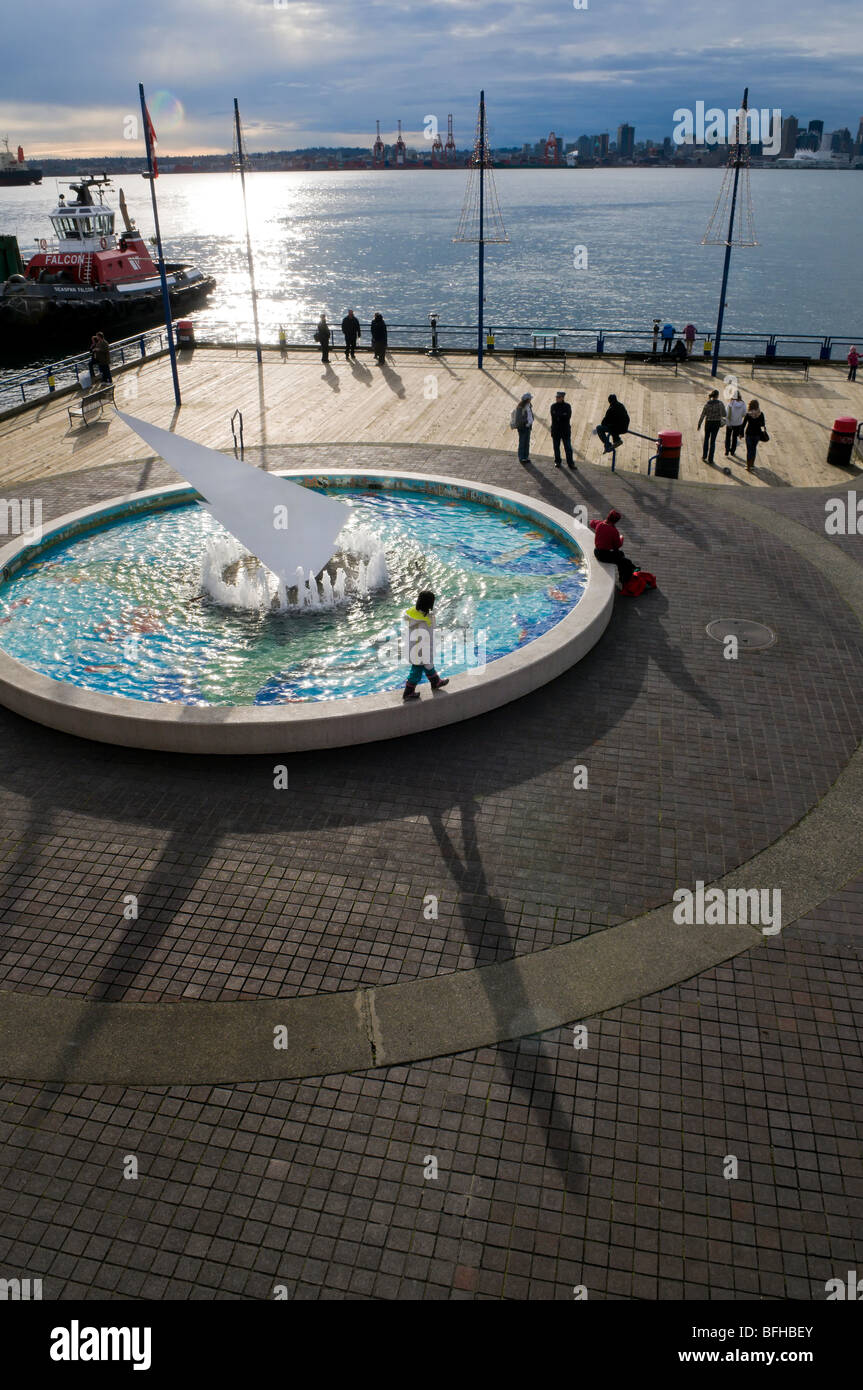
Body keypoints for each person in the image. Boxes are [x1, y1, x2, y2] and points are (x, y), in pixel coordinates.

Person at [402, 590, 449, 700]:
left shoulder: (413, 613)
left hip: (414, 648)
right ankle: (408, 692)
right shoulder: (424, 621)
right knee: (416, 672)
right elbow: (426, 637)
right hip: (420, 651)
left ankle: (436, 682)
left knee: (428, 666)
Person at [589, 509, 637, 584]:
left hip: (597, 551)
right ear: (616, 521)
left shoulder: (599, 524)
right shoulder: (614, 531)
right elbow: (617, 545)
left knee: (620, 555)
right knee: (624, 561)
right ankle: (624, 580)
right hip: (604, 555)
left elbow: (591, 523)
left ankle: (632, 568)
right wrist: (621, 538)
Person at [697, 389, 726, 464]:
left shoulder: (707, 404)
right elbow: (724, 414)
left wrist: (699, 424)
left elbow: (703, 415)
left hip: (708, 423)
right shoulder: (720, 404)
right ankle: (710, 459)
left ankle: (704, 456)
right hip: (716, 423)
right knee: (713, 441)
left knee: (706, 439)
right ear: (717, 396)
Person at [550, 390, 575, 469]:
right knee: (556, 447)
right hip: (556, 430)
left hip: (565, 431)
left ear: (562, 398)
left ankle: (570, 463)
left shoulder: (567, 406)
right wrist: (562, 415)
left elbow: (567, 416)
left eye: (558, 397)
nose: (557, 398)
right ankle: (557, 461)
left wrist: (559, 416)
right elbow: (554, 416)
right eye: (556, 397)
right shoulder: (553, 406)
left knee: (568, 448)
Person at [743, 398, 767, 472]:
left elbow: (743, 424)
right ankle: (752, 464)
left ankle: (748, 466)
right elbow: (763, 424)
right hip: (757, 434)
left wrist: (740, 433)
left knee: (749, 450)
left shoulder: (748, 414)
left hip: (749, 433)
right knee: (753, 449)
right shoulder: (761, 414)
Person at [514, 392, 534, 464]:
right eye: (530, 398)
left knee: (527, 443)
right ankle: (521, 457)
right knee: (522, 442)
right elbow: (519, 419)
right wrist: (527, 421)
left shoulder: (529, 406)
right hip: (523, 427)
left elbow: (530, 415)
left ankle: (526, 457)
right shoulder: (520, 408)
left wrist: (531, 421)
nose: (531, 399)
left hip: (528, 427)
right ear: (527, 399)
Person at [725, 390, 746, 457]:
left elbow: (727, 414)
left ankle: (727, 450)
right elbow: (744, 414)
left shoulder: (730, 403)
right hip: (738, 424)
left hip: (730, 423)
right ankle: (732, 451)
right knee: (734, 438)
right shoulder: (743, 404)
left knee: (728, 437)